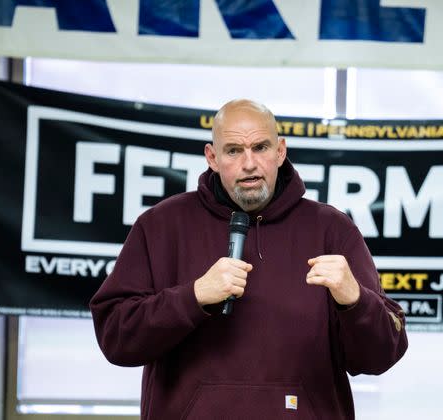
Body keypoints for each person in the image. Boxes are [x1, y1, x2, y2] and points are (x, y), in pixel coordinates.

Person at [90, 99, 408, 419]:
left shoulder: (332, 230)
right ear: (212, 157)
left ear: (280, 151)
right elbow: (115, 337)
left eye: (261, 147)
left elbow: (381, 356)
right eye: (233, 151)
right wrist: (193, 296)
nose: (249, 163)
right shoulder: (160, 225)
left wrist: (355, 302)